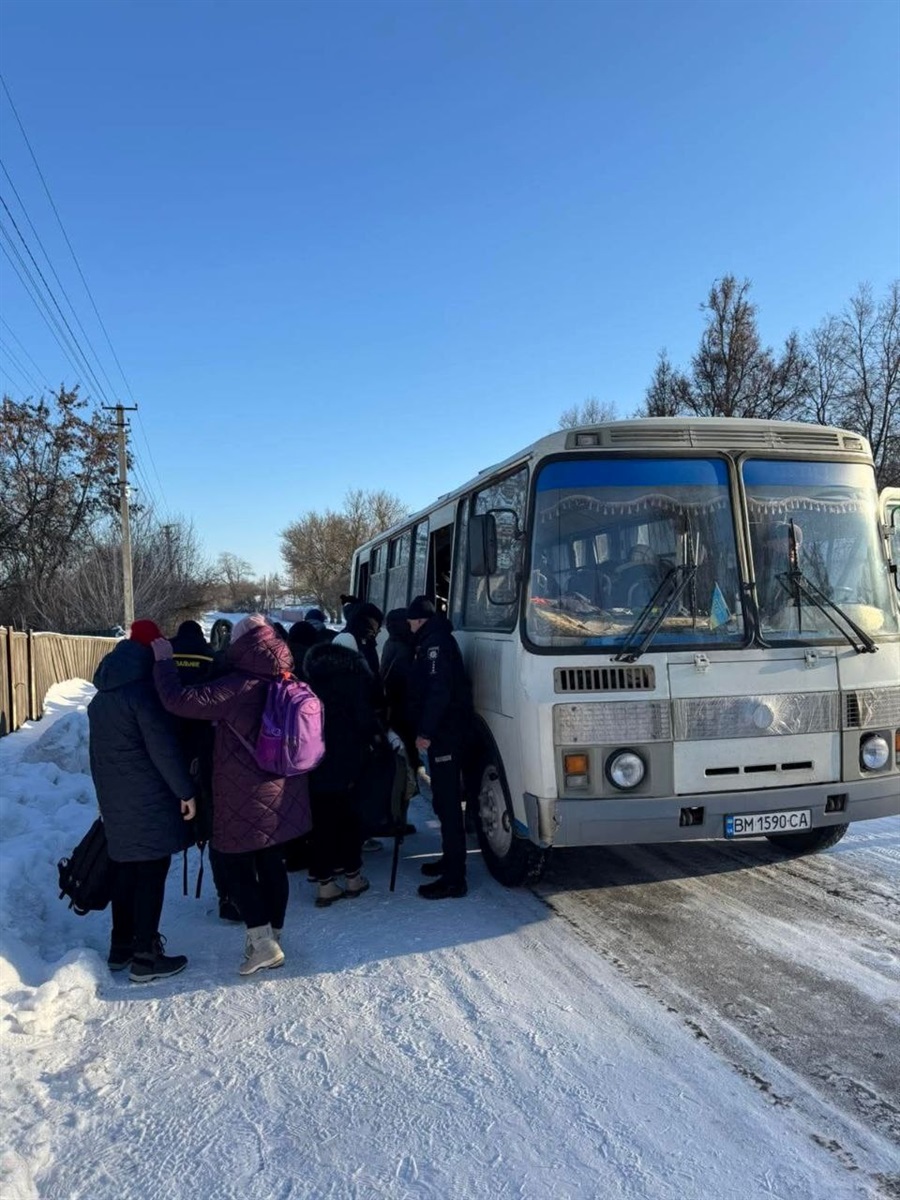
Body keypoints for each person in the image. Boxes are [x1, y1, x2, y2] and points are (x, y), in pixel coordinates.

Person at [151, 614, 311, 976]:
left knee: (233, 862)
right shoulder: (288, 677)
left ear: (242, 645)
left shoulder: (237, 687)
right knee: (272, 862)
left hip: (243, 792)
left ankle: (262, 942)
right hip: (284, 788)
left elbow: (179, 700)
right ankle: (275, 935)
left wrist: (164, 663)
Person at [88, 619, 195, 983]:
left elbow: (96, 755)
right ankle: (146, 957)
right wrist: (186, 791)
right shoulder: (143, 694)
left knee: (126, 870)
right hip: (149, 797)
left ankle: (121, 947)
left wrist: (104, 796)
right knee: (151, 870)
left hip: (115, 796)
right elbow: (163, 751)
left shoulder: (102, 695)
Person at [169, 620, 240, 924]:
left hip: (177, 743)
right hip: (209, 745)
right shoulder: (211, 657)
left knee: (199, 814)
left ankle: (192, 833)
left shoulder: (166, 656)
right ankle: (230, 894)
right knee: (222, 826)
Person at [302, 638, 383, 906]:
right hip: (349, 762)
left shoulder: (309, 679)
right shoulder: (355, 679)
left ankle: (324, 883)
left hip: (313, 760)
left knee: (321, 822)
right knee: (349, 820)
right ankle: (352, 876)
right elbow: (366, 721)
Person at [404, 595, 474, 899]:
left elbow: (438, 693)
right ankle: (449, 861)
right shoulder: (436, 639)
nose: (408, 626)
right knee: (443, 804)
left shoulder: (435, 645)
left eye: (410, 621)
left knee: (447, 804)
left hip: (445, 735)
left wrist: (426, 733)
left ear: (419, 619)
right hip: (447, 733)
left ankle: (454, 879)